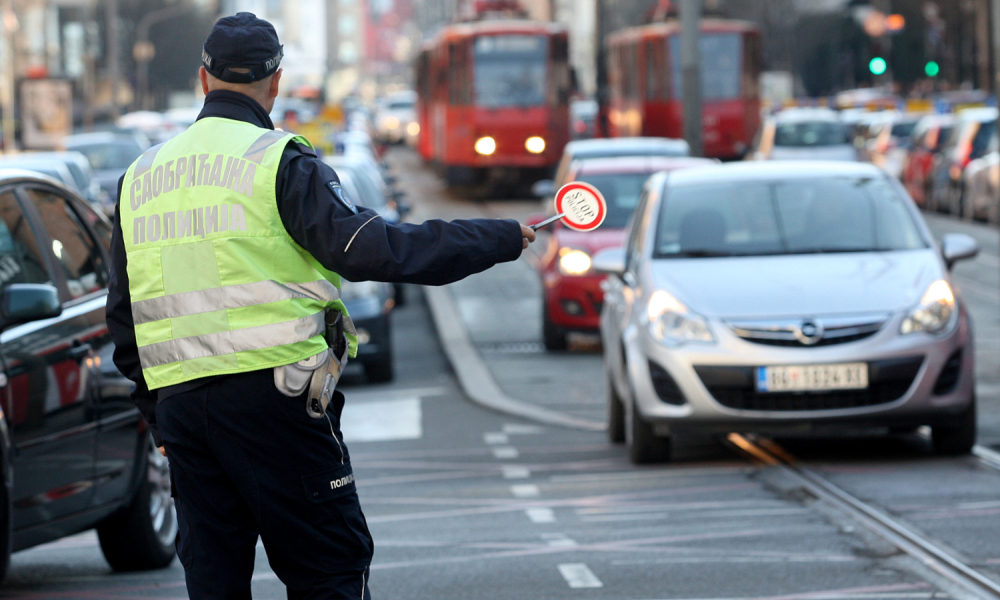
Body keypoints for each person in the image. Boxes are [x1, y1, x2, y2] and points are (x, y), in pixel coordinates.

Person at [105, 12, 535, 599]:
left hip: (184, 413)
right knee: (327, 570)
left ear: (203, 79)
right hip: (273, 404)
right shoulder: (279, 162)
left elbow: (124, 318)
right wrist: (497, 237)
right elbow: (376, 252)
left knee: (215, 582)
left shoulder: (140, 177)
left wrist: (158, 414)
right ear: (275, 81)